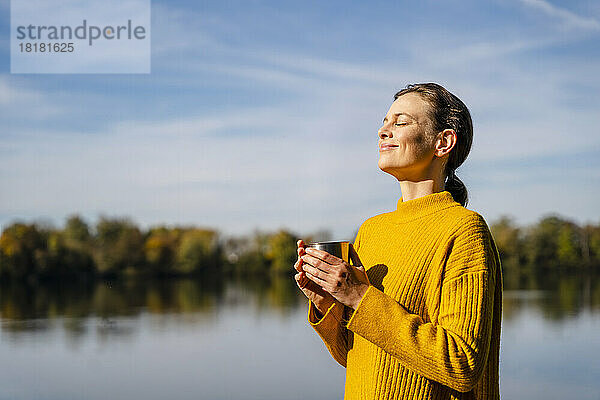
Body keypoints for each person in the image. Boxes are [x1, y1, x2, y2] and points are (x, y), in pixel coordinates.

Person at [293, 82, 502, 400]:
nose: (383, 131)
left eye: (401, 122)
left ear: (443, 142)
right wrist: (328, 303)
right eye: (384, 122)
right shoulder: (371, 230)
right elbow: (357, 357)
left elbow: (462, 365)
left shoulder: (464, 229)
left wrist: (359, 296)